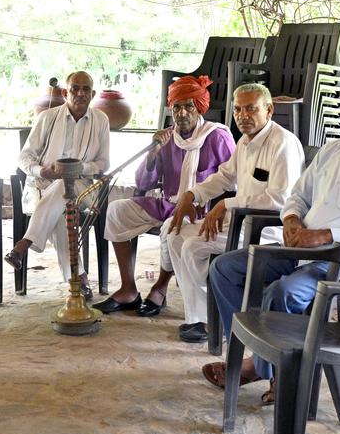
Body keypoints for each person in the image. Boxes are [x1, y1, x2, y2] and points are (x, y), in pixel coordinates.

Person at [203, 76, 340, 401]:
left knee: (284, 293)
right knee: (226, 269)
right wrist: (292, 220)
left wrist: (325, 235)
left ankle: (276, 374)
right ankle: (263, 360)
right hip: (299, 250)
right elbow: (298, 196)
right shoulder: (331, 151)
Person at [165, 83, 304, 343]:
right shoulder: (245, 141)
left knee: (193, 247)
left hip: (267, 230)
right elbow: (225, 177)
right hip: (239, 223)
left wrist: (226, 205)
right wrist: (192, 195)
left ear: (269, 110)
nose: (243, 116)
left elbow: (281, 200)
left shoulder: (282, 143)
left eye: (251, 109)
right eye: (238, 109)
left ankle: (214, 317)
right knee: (174, 235)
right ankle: (201, 316)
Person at [94, 75, 235, 317]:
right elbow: (143, 183)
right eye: (176, 107)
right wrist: (153, 153)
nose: (182, 113)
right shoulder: (167, 137)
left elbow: (233, 182)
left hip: (199, 210)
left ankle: (160, 288)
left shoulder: (217, 137)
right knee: (116, 211)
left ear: (199, 107)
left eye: (188, 106)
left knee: (173, 226)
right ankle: (128, 289)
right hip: (164, 203)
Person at [5, 71, 110, 298]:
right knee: (63, 209)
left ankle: (25, 242)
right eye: (74, 88)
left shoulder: (101, 120)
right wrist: (41, 170)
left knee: (66, 185)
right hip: (44, 186)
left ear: (92, 94)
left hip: (84, 188)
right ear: (65, 92)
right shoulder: (47, 117)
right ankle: (79, 278)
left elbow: (104, 163)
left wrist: (80, 169)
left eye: (85, 89)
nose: (80, 93)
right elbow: (24, 158)